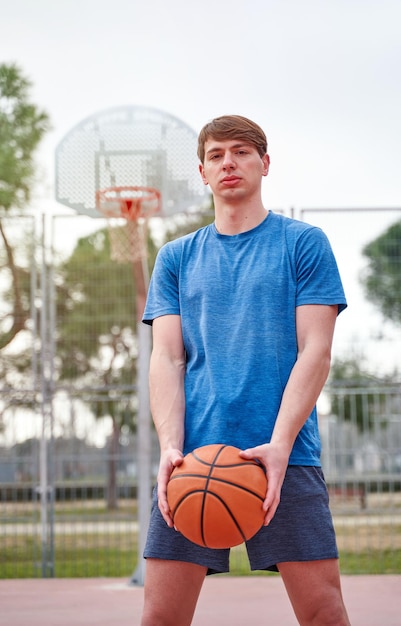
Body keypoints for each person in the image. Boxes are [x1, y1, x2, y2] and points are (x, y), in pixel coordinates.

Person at [140, 115, 351, 626]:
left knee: (323, 612)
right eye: (216, 155)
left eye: (240, 151)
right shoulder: (175, 257)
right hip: (194, 462)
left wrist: (279, 444)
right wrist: (171, 447)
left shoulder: (303, 244)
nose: (228, 162)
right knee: (160, 617)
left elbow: (315, 351)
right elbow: (167, 357)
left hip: (286, 454)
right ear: (203, 172)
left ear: (264, 163)